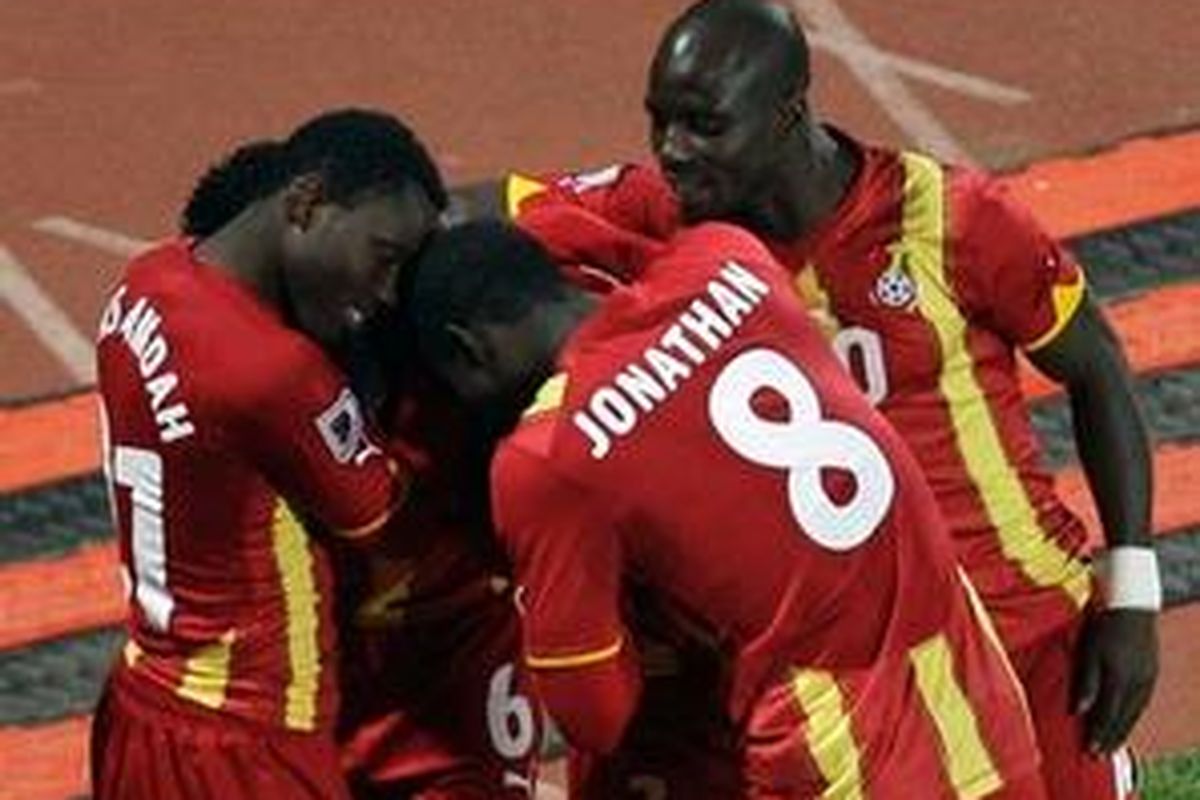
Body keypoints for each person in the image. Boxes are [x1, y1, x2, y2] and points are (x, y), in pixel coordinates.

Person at [478, 1, 1157, 796]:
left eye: (703, 126)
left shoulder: (953, 220)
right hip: (848, 668)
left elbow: (1098, 368)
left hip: (1020, 627)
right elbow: (479, 227)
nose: (672, 152)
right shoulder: (658, 213)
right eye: (659, 122)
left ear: (787, 113)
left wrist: (1134, 596)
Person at [402, 215, 1050, 798]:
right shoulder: (727, 258)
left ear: (468, 349)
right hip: (975, 686)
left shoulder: (545, 456)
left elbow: (592, 713)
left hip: (840, 745)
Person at [90, 108, 446, 799]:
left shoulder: (144, 280)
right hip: (249, 741)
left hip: (141, 706)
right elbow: (388, 522)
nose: (380, 293)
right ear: (307, 201)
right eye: (384, 256)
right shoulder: (275, 374)